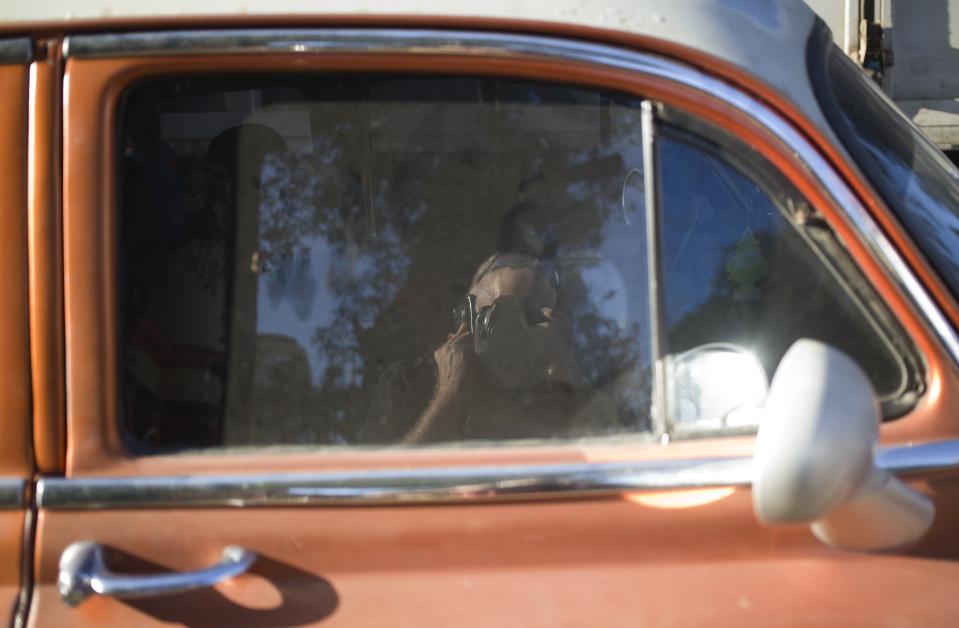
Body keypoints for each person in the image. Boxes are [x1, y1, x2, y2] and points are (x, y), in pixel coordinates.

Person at [361, 251, 610, 443]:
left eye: (530, 318)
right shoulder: (410, 382)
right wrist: (450, 392)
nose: (512, 333)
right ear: (466, 318)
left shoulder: (560, 393)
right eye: (497, 315)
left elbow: (614, 461)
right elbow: (378, 494)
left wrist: (566, 371)